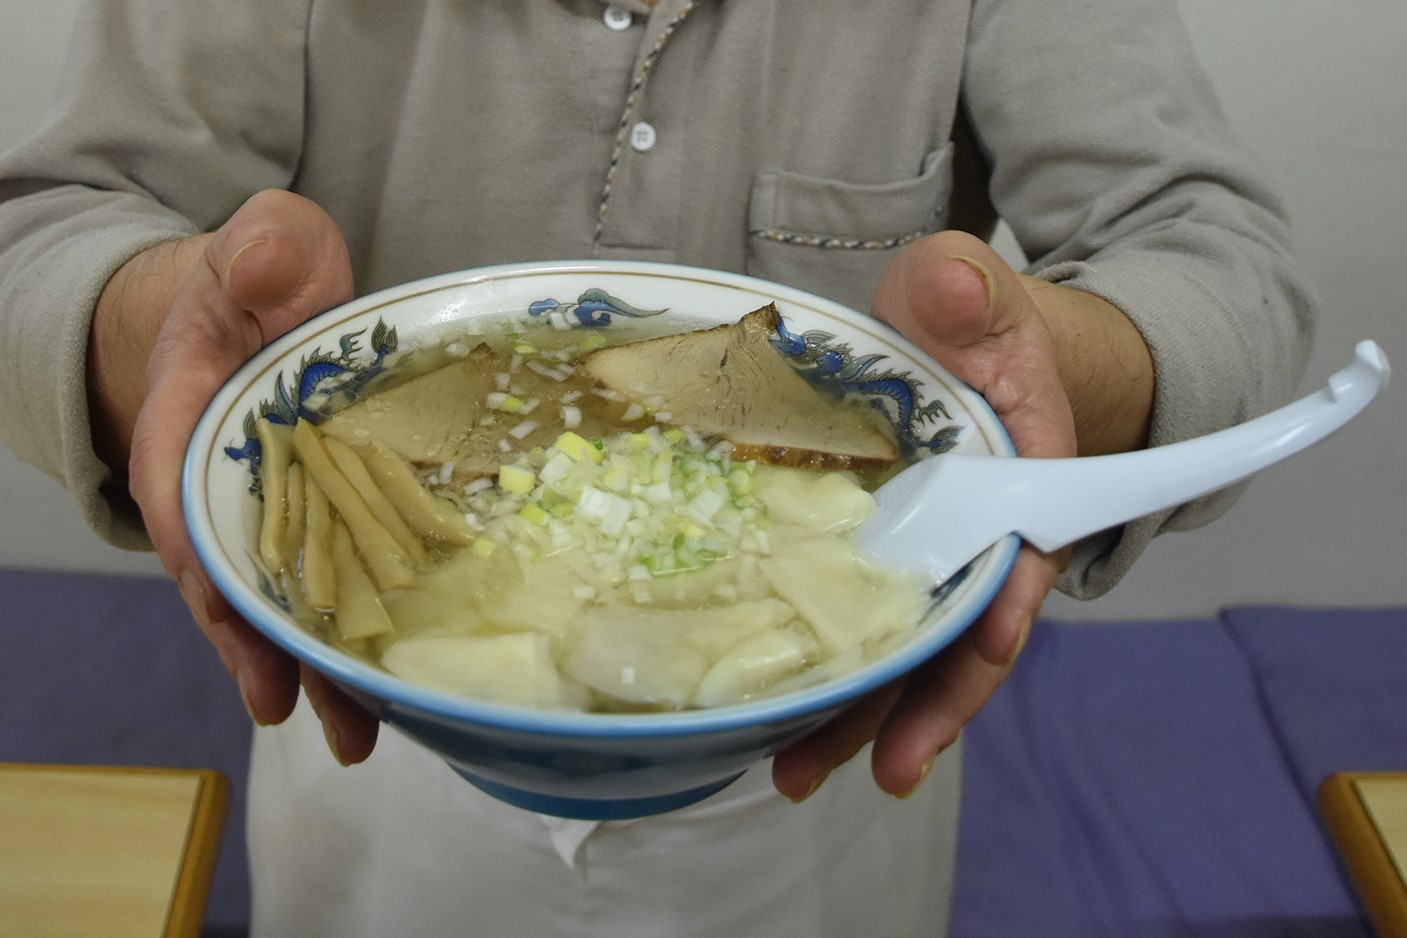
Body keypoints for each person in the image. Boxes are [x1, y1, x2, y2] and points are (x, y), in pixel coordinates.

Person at [0, 1, 1314, 935]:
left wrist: (1052, 361)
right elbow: (48, 229)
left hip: (829, 765)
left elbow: (1215, 257)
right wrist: (163, 319)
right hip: (370, 729)